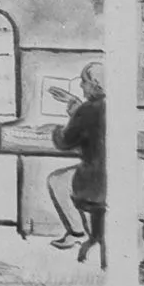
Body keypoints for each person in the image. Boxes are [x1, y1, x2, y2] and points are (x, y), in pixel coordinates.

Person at [46, 62, 107, 260]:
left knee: (56, 180)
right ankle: (82, 233)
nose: (81, 86)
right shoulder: (107, 106)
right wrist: (76, 105)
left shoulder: (87, 110)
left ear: (95, 84)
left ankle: (76, 232)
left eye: (84, 81)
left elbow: (64, 142)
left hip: (93, 182)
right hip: (112, 179)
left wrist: (54, 130)